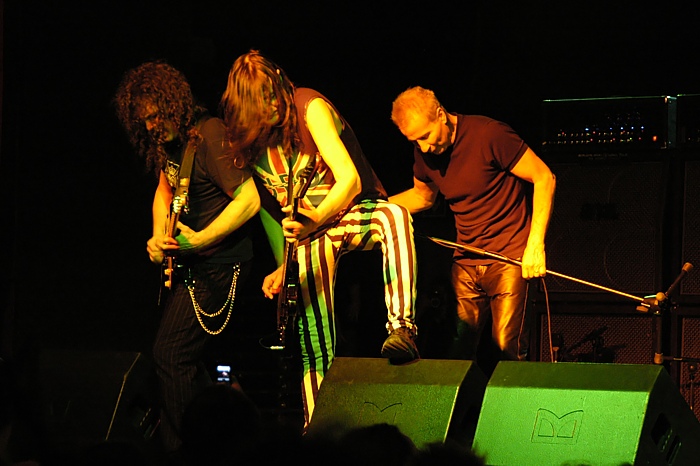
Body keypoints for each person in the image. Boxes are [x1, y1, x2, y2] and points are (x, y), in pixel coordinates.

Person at [219, 50, 419, 428]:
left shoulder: (309, 108)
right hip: (308, 238)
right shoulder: (249, 141)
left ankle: (402, 328)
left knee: (394, 216)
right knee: (315, 346)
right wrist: (284, 265)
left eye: (274, 94)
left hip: (345, 214)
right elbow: (269, 209)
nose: (274, 105)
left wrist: (314, 221)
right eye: (263, 102)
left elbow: (349, 180)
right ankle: (317, 431)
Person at [113, 60, 260, 453]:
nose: (151, 126)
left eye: (156, 116)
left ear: (174, 105)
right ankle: (217, 445)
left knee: (171, 355)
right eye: (144, 120)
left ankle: (192, 451)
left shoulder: (209, 134)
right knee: (191, 366)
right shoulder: (170, 144)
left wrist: (200, 241)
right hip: (195, 266)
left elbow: (249, 199)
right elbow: (165, 191)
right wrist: (158, 236)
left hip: (221, 265)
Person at [389, 86, 556, 367]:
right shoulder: (423, 153)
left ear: (441, 115)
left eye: (426, 136)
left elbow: (544, 177)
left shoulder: (489, 134)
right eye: (415, 141)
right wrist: (375, 207)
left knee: (506, 351)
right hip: (466, 261)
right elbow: (422, 197)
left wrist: (535, 245)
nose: (425, 147)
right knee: (455, 354)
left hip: (509, 259)